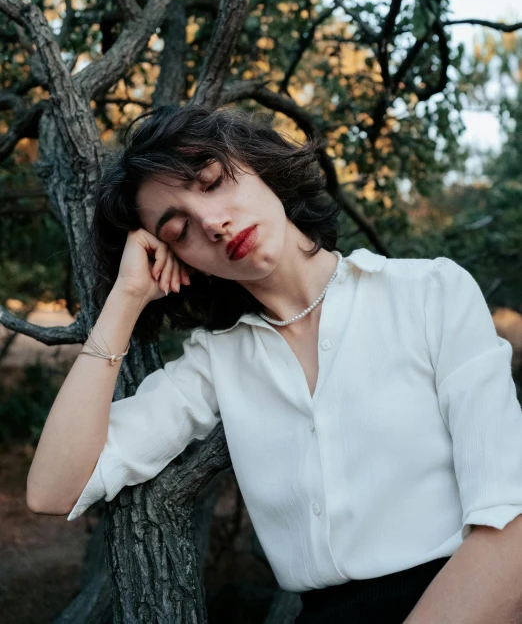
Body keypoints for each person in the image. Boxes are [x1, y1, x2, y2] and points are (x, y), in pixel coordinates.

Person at [26, 105, 522, 623]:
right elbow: (53, 488)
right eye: (178, 232)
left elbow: (509, 525)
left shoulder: (429, 293)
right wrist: (126, 299)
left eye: (214, 181)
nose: (212, 223)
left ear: (259, 164)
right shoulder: (217, 362)